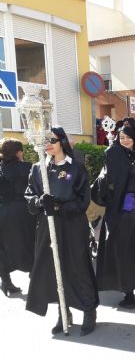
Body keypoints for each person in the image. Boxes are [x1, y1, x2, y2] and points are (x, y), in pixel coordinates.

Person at [24, 127, 99, 335]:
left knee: (78, 267)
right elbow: (29, 196)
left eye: (52, 140)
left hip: (72, 225)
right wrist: (40, 202)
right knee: (54, 270)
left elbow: (83, 201)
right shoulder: (38, 168)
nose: (48, 144)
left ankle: (88, 310)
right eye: (44, 141)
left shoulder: (76, 168)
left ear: (62, 142)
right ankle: (63, 313)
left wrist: (59, 207)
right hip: (48, 226)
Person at [91, 126, 135, 308]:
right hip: (122, 213)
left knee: (132, 252)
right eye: (121, 137)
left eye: (128, 137)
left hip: (134, 213)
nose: (125, 140)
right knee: (131, 252)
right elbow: (102, 186)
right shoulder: (114, 156)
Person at [0, 139, 35, 296]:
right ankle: (35, 280)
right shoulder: (28, 167)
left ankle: (6, 281)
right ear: (17, 152)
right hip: (24, 211)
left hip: (3, 212)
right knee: (31, 243)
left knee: (4, 248)